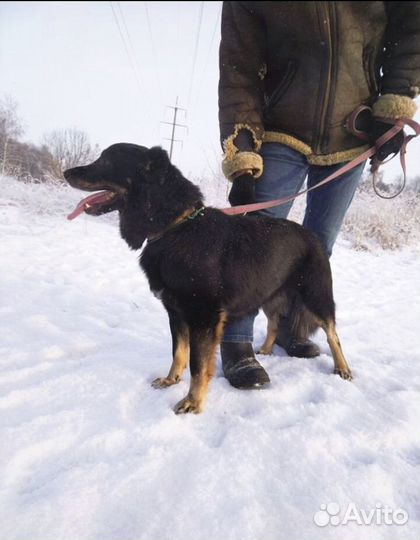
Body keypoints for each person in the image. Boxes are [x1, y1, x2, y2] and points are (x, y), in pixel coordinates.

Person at [218, 1, 420, 389]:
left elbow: (411, 27)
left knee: (317, 248)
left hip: (353, 128)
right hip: (279, 129)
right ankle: (236, 340)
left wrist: (394, 108)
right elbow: (237, 68)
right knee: (253, 244)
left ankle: (296, 328)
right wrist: (242, 156)